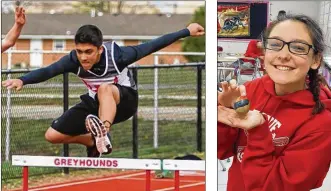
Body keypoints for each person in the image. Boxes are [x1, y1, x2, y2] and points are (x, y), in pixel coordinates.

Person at [2, 23, 205, 158]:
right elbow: (49, 70)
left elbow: (152, 45)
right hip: (96, 103)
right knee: (52, 135)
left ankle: (103, 131)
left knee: (105, 88)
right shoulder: (73, 60)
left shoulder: (119, 55)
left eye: (89, 52)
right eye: (80, 51)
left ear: (100, 49)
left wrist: (186, 31)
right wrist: (22, 80)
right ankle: (92, 139)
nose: (84, 57)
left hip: (124, 100)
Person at [218, 14, 331, 191]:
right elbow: (221, 150)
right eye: (275, 45)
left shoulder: (321, 123)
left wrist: (258, 129)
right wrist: (224, 113)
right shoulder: (251, 89)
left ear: (316, 60)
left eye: (298, 48)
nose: (283, 55)